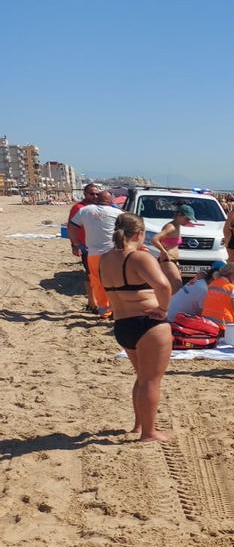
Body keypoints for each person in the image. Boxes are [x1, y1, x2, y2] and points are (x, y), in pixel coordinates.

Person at [99, 213, 173, 442]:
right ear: (140, 234)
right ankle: (149, 433)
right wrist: (163, 309)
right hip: (148, 324)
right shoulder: (140, 257)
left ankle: (139, 425)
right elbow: (163, 285)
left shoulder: (106, 258)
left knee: (142, 377)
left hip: (123, 324)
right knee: (151, 380)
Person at [70, 190, 125, 319]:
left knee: (97, 281)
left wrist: (75, 244)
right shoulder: (118, 213)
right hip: (112, 253)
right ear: (111, 201)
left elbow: (72, 226)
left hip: (93, 253)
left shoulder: (85, 210)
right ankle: (115, 308)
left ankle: (104, 310)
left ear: (97, 199)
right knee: (114, 281)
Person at [67, 182, 101, 311]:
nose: (95, 196)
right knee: (90, 275)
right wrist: (74, 245)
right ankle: (92, 302)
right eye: (91, 194)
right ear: (85, 194)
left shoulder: (101, 207)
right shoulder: (78, 208)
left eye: (97, 193)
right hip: (86, 246)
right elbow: (71, 228)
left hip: (101, 246)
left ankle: (99, 302)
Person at [151, 205, 197, 292]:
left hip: (172, 260)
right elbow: (154, 239)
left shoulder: (177, 226)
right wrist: (164, 251)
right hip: (168, 260)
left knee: (173, 288)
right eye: (187, 219)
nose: (188, 221)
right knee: (177, 288)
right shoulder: (171, 227)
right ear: (179, 215)